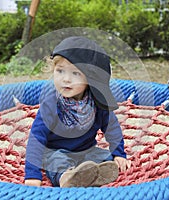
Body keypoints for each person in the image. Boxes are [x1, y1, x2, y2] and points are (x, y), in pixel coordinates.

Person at [24, 36, 130, 187]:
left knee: (104, 156)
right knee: (56, 161)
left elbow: (112, 128)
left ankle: (94, 175)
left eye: (75, 73)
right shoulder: (51, 104)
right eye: (60, 71)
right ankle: (67, 178)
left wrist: (119, 154)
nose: (66, 79)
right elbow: (36, 139)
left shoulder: (97, 104)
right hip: (55, 151)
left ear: (90, 78)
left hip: (86, 151)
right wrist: (32, 174)